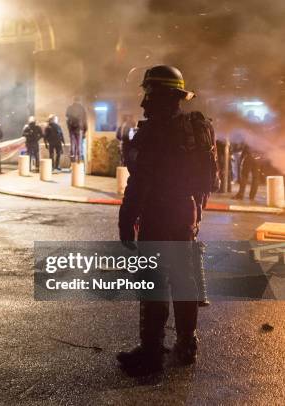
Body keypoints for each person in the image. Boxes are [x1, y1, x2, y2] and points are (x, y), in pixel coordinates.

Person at [117, 65, 219, 376]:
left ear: (158, 94)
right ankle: (187, 346)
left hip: (158, 215)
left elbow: (139, 181)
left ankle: (151, 353)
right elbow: (207, 181)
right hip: (185, 213)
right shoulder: (195, 128)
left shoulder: (153, 132)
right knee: (184, 281)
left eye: (148, 93)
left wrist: (126, 220)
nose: (144, 100)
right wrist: (196, 211)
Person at [65, 95, 88, 163]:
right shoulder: (82, 108)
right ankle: (79, 160)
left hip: (72, 129)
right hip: (79, 129)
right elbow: (84, 120)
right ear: (79, 101)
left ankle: (72, 159)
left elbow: (67, 119)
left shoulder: (70, 108)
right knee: (79, 144)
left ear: (73, 100)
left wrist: (69, 128)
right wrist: (85, 130)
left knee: (72, 144)